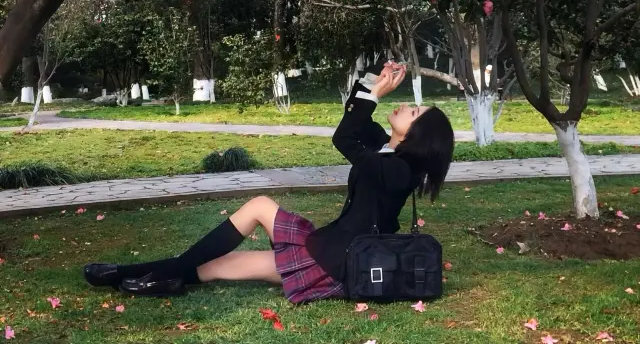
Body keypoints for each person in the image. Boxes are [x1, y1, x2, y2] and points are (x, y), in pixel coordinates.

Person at [83, 64, 455, 303]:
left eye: (415, 112)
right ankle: (145, 275)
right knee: (230, 246)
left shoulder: (398, 172)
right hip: (327, 244)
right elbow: (355, 123)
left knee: (222, 259)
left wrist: (373, 97)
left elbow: (344, 139)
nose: (406, 107)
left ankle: (132, 274)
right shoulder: (384, 149)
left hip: (336, 263)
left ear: (416, 137)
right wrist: (374, 80)